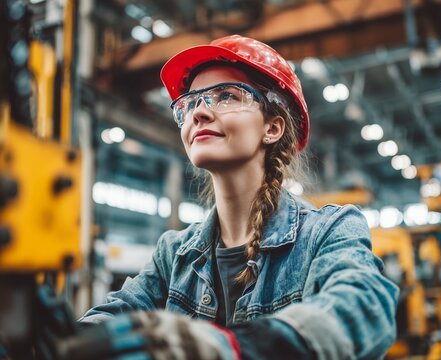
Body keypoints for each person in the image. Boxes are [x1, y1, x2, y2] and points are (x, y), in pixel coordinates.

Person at [76, 35, 399, 359]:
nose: (197, 114)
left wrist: (242, 346)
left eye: (226, 96)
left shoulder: (328, 232)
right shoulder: (173, 255)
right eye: (189, 103)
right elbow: (115, 315)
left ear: (272, 127)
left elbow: (364, 307)